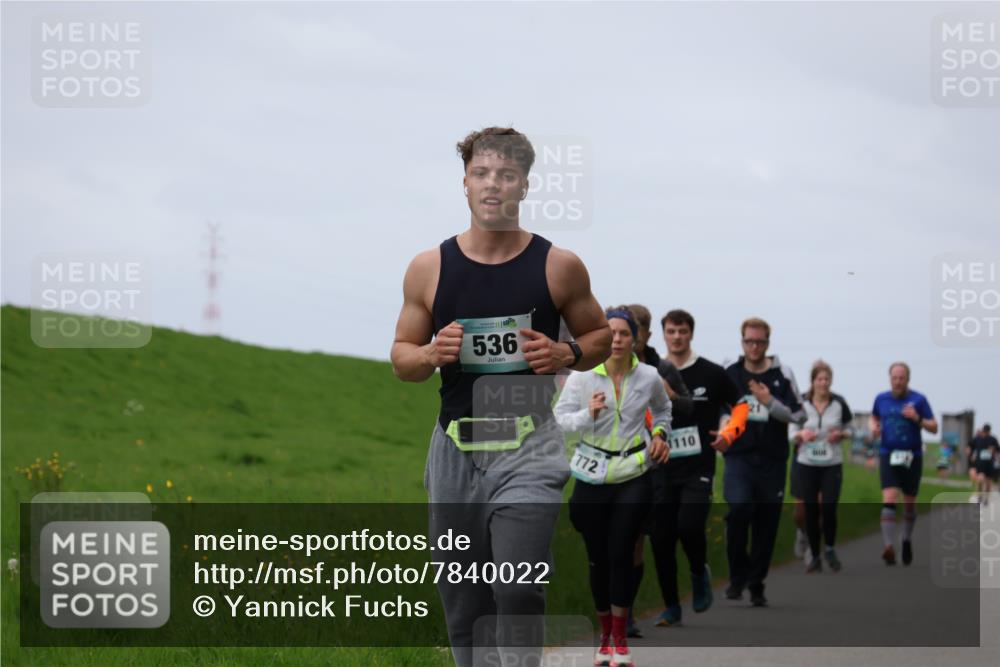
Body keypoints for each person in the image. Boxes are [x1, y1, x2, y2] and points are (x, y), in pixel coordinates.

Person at [391, 127, 611, 667]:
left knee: (515, 587)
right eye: (482, 174)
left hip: (528, 447)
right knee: (463, 602)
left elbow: (599, 336)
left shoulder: (558, 266)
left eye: (506, 175)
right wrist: (431, 353)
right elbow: (402, 358)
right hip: (455, 449)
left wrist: (566, 355)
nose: (493, 185)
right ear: (464, 183)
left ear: (525, 187)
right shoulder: (429, 267)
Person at [554, 306, 672, 667]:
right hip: (591, 473)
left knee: (622, 552)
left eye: (624, 333)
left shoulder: (649, 377)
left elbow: (664, 411)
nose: (617, 340)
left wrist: (659, 434)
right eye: (612, 333)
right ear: (603, 338)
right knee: (598, 559)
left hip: (633, 472)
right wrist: (586, 413)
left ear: (634, 339)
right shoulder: (582, 377)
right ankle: (604, 634)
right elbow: (560, 421)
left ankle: (619, 639)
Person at [650, 309, 747, 626]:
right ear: (663, 335)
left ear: (691, 334)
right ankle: (671, 607)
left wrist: (729, 433)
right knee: (661, 539)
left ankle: (697, 571)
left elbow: (741, 405)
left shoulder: (712, 373)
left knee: (689, 527)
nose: (677, 337)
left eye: (682, 331)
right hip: (659, 466)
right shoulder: (651, 372)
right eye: (671, 331)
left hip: (698, 466)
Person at [723, 317, 806, 607]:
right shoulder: (730, 372)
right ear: (742, 341)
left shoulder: (782, 374)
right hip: (738, 457)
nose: (754, 346)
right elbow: (720, 411)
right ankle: (737, 577)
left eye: (759, 341)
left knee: (766, 525)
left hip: (772, 459)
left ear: (768, 343)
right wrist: (724, 431)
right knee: (739, 510)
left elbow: (800, 416)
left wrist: (769, 401)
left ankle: (756, 583)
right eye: (749, 341)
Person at [870, 362, 938, 566]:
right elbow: (873, 417)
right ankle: (889, 547)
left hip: (912, 456)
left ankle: (906, 539)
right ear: (889, 378)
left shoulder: (919, 399)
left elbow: (934, 427)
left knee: (909, 504)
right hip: (888, 454)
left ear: (908, 379)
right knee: (889, 497)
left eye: (901, 378)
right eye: (894, 378)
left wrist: (917, 418)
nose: (898, 382)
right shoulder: (881, 398)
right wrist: (874, 427)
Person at [789, 360, 854, 573]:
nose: (823, 383)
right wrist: (801, 434)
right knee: (810, 509)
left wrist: (842, 434)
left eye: (827, 379)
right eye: (819, 379)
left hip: (831, 463)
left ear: (831, 381)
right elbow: (791, 433)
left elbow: (851, 429)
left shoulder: (839, 403)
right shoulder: (801, 404)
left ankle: (830, 548)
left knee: (828, 507)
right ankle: (815, 555)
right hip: (806, 463)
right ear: (813, 381)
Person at [968, 424, 999, 505]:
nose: (985, 433)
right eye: (984, 431)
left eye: (986, 431)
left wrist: (995, 454)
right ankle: (980, 497)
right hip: (980, 463)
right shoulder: (978, 439)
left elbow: (998, 451)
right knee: (980, 479)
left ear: (989, 431)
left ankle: (986, 499)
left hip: (989, 463)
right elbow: (970, 445)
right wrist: (971, 455)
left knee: (988, 482)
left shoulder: (993, 439)